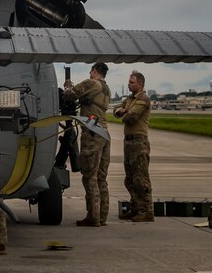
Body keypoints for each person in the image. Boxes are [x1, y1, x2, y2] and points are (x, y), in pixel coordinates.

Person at [65, 62, 112, 226]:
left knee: (89, 177)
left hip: (92, 133)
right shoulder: (106, 89)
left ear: (94, 71)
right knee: (101, 178)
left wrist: (67, 85)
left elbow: (70, 95)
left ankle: (93, 217)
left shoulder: (91, 83)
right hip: (104, 132)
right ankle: (102, 216)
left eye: (91, 71)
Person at [114, 70, 154, 222]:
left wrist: (124, 112)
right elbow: (116, 110)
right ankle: (136, 208)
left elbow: (131, 117)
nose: (128, 84)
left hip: (139, 142)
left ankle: (147, 211)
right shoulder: (130, 99)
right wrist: (122, 110)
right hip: (129, 141)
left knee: (141, 178)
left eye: (131, 82)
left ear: (140, 84)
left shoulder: (143, 99)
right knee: (130, 179)